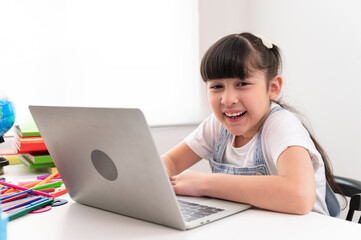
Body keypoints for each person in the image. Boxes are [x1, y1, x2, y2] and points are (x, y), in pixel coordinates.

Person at [162, 32, 341, 216]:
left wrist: (203, 184)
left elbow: (299, 195)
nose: (228, 99)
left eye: (242, 84)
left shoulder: (281, 125)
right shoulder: (217, 125)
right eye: (217, 86)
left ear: (273, 88)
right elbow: (169, 162)